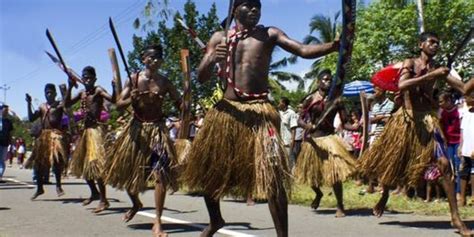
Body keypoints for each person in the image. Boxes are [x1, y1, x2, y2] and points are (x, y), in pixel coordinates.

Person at [182, 0, 339, 233]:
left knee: (274, 178)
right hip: (227, 113)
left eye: (258, 5)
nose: (254, 9)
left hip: (260, 113)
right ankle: (216, 219)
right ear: (234, 9)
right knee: (209, 172)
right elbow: (201, 76)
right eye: (248, 4)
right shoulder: (220, 37)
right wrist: (214, 56)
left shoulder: (270, 33)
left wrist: (333, 46)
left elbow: (303, 50)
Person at [358, 32, 471, 236]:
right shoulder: (410, 63)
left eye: (438, 43)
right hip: (406, 121)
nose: (435, 45)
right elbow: (402, 85)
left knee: (445, 165)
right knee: (395, 164)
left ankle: (456, 217)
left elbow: (464, 89)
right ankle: (384, 195)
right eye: (432, 42)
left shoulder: (439, 69)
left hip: (428, 121)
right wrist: (431, 76)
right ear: (421, 44)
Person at [104, 44, 180, 237]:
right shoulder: (134, 79)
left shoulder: (165, 82)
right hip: (136, 130)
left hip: (158, 130)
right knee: (127, 175)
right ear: (144, 58)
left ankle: (157, 221)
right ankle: (136, 203)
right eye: (151, 57)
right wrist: (131, 98)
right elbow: (118, 106)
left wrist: (183, 102)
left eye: (158, 58)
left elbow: (180, 103)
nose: (155, 61)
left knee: (160, 175)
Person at [295, 70, 357, 218]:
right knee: (311, 176)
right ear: (318, 82)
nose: (328, 82)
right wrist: (306, 126)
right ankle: (318, 194)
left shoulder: (337, 101)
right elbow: (299, 120)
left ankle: (340, 205)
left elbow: (345, 123)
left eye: (330, 80)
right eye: (325, 79)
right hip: (313, 142)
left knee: (335, 175)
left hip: (329, 140)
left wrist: (355, 127)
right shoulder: (310, 99)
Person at [66, 66, 115, 213]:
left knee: (95, 166)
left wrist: (114, 88)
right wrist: (69, 87)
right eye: (84, 77)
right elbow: (66, 104)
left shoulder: (98, 90)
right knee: (83, 166)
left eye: (89, 77)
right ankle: (94, 192)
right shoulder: (81, 93)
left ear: (94, 78)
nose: (86, 79)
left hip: (95, 131)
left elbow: (114, 100)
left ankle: (104, 200)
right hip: (85, 133)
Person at [26, 84, 68, 200]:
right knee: (39, 164)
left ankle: (58, 185)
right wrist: (29, 104)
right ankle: (39, 188)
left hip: (55, 136)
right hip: (43, 137)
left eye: (50, 92)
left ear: (55, 93)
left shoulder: (59, 106)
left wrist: (65, 93)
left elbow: (68, 111)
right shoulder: (42, 107)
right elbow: (31, 118)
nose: (48, 94)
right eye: (46, 92)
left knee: (56, 161)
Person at [278, 97, 298, 168]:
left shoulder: (291, 113)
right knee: (283, 160)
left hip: (288, 141)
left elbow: (293, 128)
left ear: (284, 104)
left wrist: (292, 141)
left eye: (280, 102)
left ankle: (293, 176)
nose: (279, 104)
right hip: (281, 141)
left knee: (290, 160)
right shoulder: (279, 113)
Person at [0, 104, 14, 183]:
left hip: (5, 143)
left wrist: (11, 143)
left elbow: (10, 133)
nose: (6, 112)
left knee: (2, 160)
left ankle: (0, 176)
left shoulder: (8, 122)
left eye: (7, 111)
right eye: (4, 110)